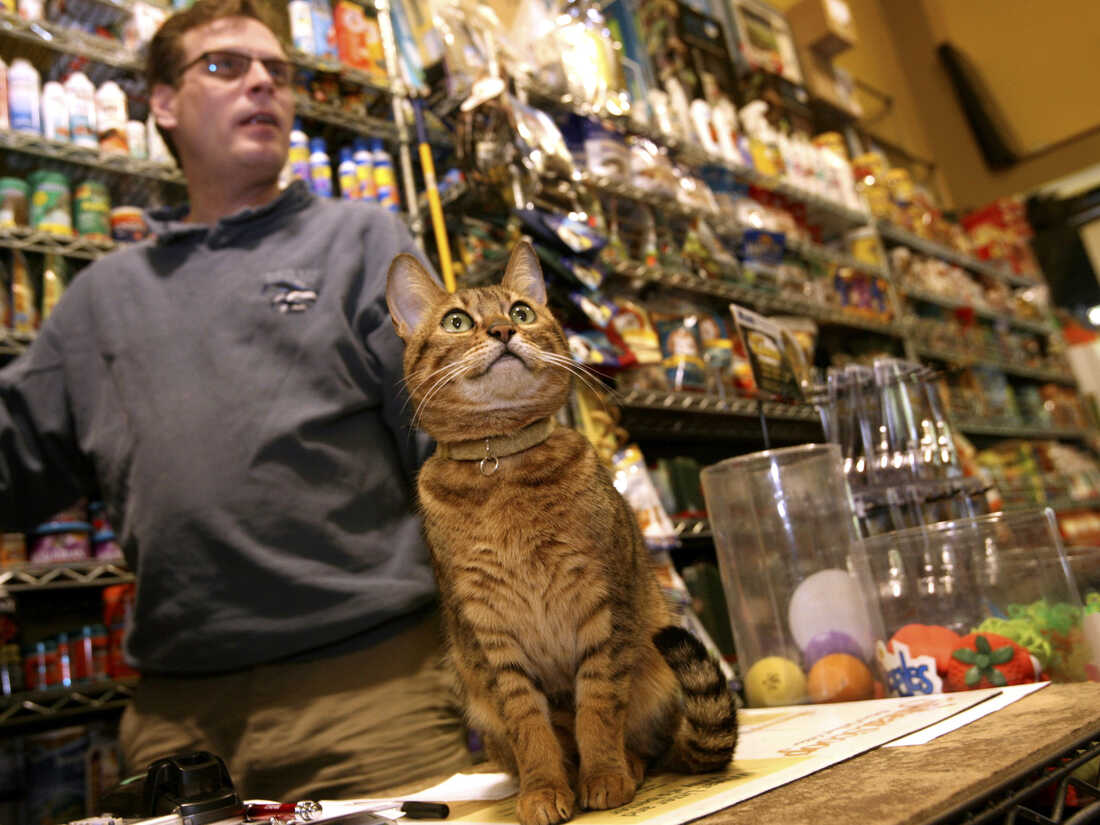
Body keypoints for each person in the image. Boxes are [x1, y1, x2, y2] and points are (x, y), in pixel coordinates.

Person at [0, 0, 472, 799]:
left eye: (278, 72)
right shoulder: (103, 296)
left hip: (371, 697)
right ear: (163, 103)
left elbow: (457, 445)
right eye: (225, 66)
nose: (262, 83)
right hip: (175, 722)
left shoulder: (362, 241)